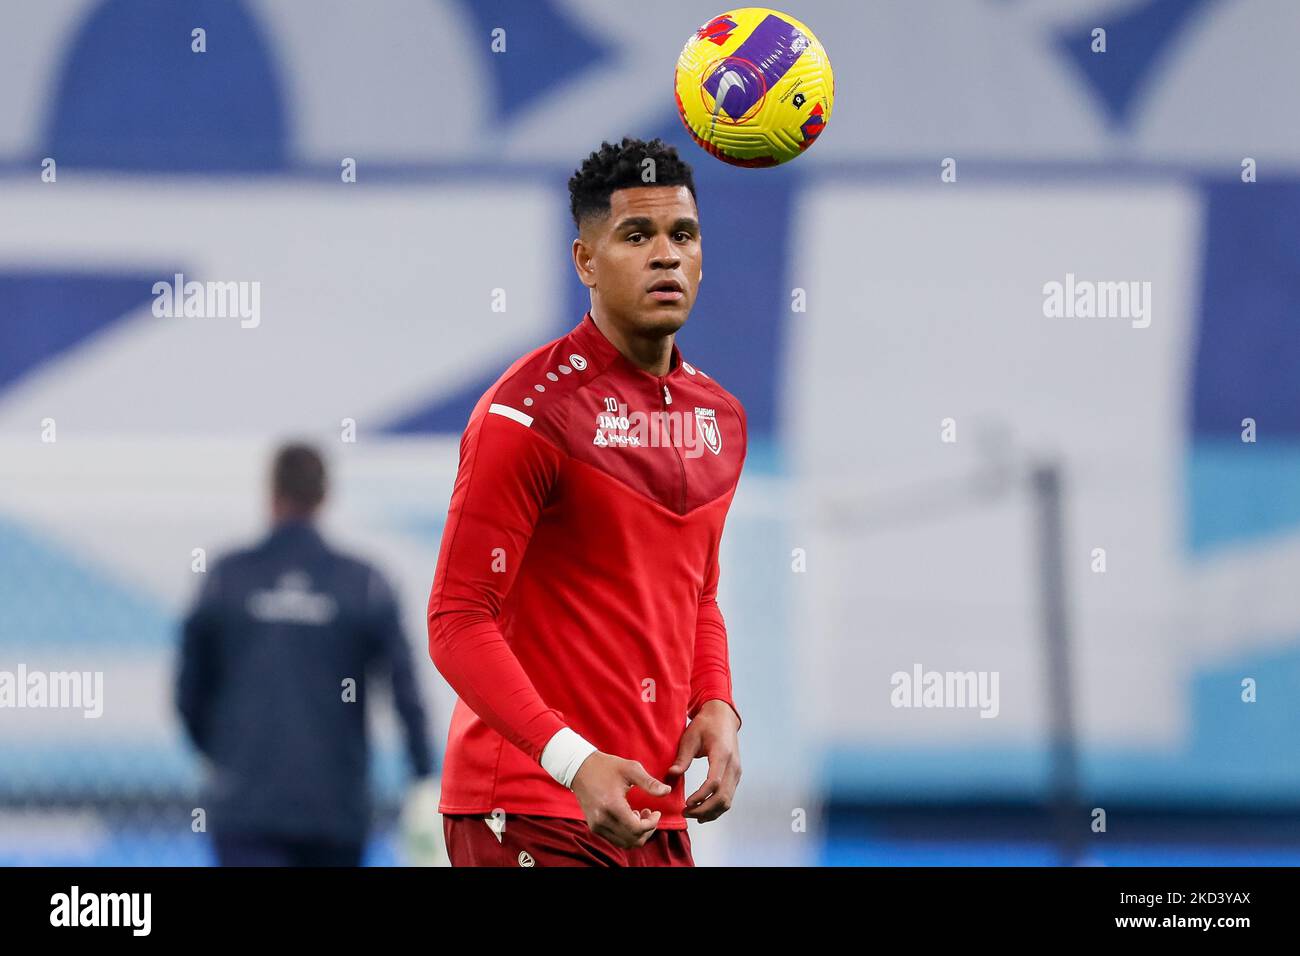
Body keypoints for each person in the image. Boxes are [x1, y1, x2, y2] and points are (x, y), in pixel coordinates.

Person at [429, 137, 747, 867]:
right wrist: (573, 761)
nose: (666, 255)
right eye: (636, 236)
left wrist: (717, 704)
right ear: (585, 262)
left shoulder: (719, 417)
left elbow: (696, 593)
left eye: (683, 235)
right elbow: (455, 619)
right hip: (535, 805)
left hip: (650, 812)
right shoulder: (526, 414)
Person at [177, 442, 436, 866]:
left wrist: (226, 756)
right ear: (324, 497)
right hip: (334, 811)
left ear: (271, 493)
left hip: (246, 809)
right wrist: (423, 781)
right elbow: (406, 694)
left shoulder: (226, 579)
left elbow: (188, 692)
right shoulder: (364, 584)